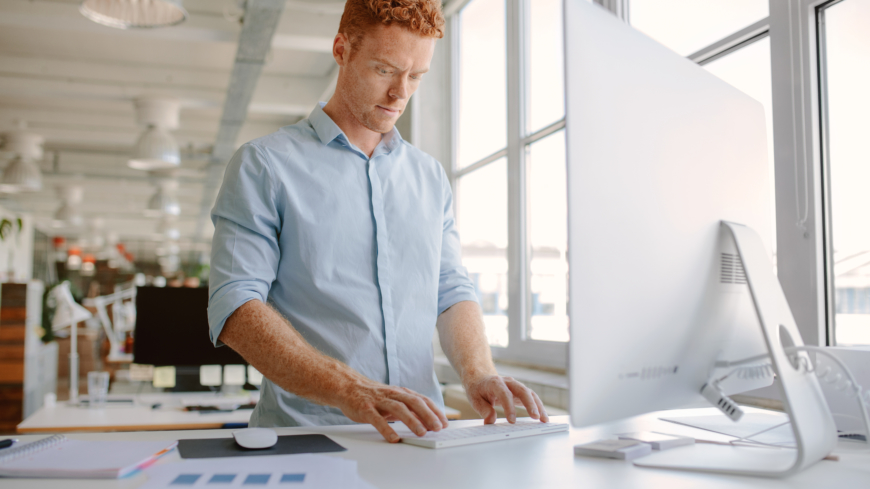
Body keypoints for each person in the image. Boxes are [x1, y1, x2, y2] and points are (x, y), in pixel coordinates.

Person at [207, 0, 548, 443]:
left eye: (416, 76)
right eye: (385, 70)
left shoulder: (429, 177)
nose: (399, 93)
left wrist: (479, 372)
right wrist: (349, 388)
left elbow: (449, 288)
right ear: (341, 49)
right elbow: (235, 306)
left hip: (421, 438)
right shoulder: (265, 165)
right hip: (307, 440)